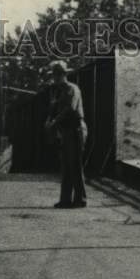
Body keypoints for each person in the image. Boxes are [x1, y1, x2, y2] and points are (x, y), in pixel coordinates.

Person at [44, 62, 88, 208]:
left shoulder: (72, 89)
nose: (55, 78)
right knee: (66, 165)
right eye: (54, 75)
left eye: (58, 75)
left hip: (75, 128)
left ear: (64, 75)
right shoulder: (59, 91)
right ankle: (65, 199)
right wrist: (49, 120)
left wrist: (54, 122)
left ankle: (80, 199)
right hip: (66, 131)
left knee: (74, 164)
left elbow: (70, 108)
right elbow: (54, 110)